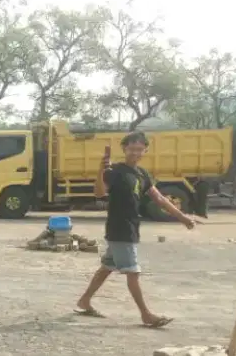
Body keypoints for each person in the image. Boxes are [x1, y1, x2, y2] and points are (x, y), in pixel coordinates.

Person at [76, 131, 195, 327]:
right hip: (119, 228)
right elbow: (98, 193)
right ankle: (146, 314)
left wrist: (182, 217)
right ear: (124, 149)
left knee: (107, 268)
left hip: (131, 226)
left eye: (140, 149)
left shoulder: (142, 174)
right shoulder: (114, 171)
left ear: (145, 150)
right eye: (132, 149)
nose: (136, 153)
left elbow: (159, 199)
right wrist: (100, 170)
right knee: (133, 272)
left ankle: (84, 301)